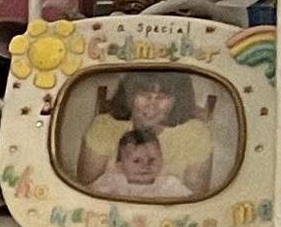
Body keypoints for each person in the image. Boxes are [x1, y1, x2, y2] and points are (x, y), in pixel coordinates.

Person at [83, 75, 213, 202]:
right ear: (129, 95)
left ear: (177, 100)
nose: (152, 105)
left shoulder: (196, 133)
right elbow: (86, 191)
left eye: (162, 97)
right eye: (144, 95)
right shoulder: (105, 126)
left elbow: (196, 201)